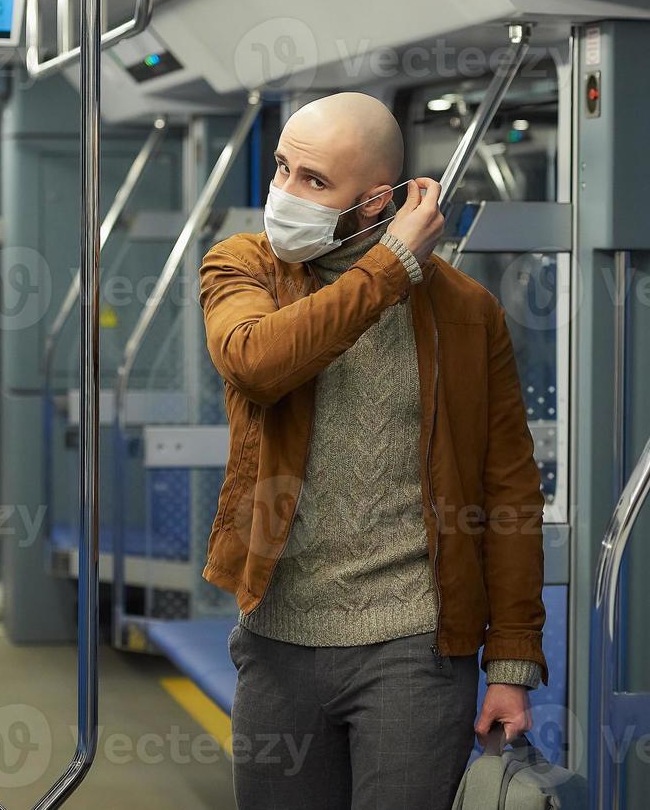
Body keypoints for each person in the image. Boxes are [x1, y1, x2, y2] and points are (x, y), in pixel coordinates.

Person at [198, 92, 546, 810]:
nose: (285, 195)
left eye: (315, 182)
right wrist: (390, 268)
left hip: (413, 648)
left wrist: (510, 661)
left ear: (375, 202)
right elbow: (257, 362)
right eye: (283, 170)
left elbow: (507, 488)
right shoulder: (243, 268)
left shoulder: (466, 311)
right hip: (277, 641)